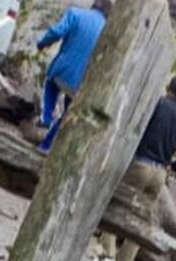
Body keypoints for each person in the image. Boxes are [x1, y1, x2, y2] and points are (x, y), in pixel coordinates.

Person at [100, 76, 176, 261]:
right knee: (142, 219)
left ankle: (107, 256)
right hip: (160, 174)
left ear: (168, 89)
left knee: (114, 206)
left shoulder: (158, 105)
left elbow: (138, 127)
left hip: (140, 165)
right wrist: (174, 166)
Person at [36, 0, 112, 154]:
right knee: (67, 113)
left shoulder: (76, 13)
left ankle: (46, 117)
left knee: (51, 85)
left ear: (93, 5)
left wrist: (43, 43)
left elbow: (57, 32)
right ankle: (46, 146)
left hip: (61, 69)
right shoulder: (107, 31)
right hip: (81, 81)